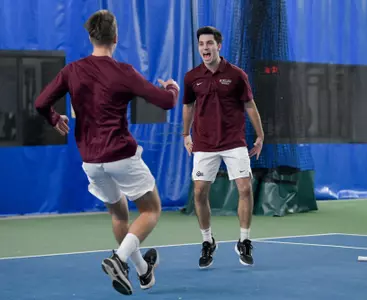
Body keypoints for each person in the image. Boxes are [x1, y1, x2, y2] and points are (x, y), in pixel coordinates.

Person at [34, 9, 180, 296]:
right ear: (116, 37)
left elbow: (41, 103)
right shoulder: (123, 72)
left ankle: (143, 273)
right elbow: (165, 102)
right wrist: (173, 88)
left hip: (91, 161)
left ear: (90, 37)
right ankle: (119, 259)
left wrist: (55, 118)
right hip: (121, 156)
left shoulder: (71, 71)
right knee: (151, 209)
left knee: (119, 215)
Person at [182, 26, 264, 269]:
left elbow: (249, 105)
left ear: (219, 45)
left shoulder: (237, 75)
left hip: (233, 140)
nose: (205, 48)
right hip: (204, 142)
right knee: (198, 192)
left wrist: (260, 135)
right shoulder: (191, 77)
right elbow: (188, 106)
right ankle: (208, 242)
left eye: (209, 43)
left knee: (245, 187)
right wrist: (185, 134)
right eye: (201, 44)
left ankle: (244, 240)